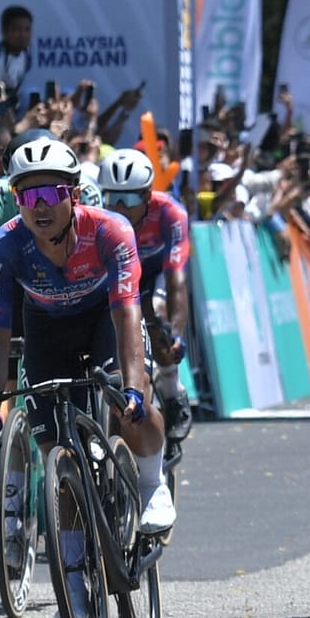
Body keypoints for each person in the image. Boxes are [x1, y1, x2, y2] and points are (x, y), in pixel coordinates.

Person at [0, 139, 171, 618]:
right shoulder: (4, 247)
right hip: (46, 330)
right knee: (57, 455)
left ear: (73, 195)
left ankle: (150, 482)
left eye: (49, 195)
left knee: (130, 403)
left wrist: (133, 388)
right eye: (26, 197)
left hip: (106, 319)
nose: (38, 207)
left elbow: (128, 314)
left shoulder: (110, 231)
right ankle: (76, 591)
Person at [95, 148, 194, 443]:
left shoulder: (171, 213)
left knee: (157, 314)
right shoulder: (98, 216)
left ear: (148, 196)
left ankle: (173, 392)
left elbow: (176, 278)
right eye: (113, 198)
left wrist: (175, 334)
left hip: (155, 274)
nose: (121, 208)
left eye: (130, 199)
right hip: (118, 275)